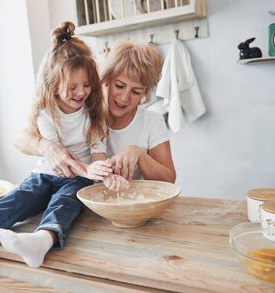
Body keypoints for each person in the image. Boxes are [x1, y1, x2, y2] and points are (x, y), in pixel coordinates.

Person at [0, 22, 112, 270]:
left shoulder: (94, 114)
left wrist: (98, 172)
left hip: (77, 179)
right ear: (53, 84)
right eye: (73, 87)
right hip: (46, 174)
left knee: (65, 202)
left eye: (87, 85)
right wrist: (87, 169)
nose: (81, 92)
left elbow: (97, 156)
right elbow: (59, 157)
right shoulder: (47, 114)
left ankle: (40, 241)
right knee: (13, 202)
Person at [14, 39, 176, 186]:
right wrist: (46, 147)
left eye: (136, 91)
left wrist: (139, 154)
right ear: (105, 80)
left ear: (145, 93)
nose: (125, 98)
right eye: (119, 86)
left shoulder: (151, 122)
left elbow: (169, 179)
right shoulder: (83, 110)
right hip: (79, 199)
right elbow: (20, 140)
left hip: (126, 204)